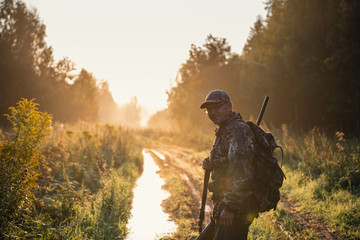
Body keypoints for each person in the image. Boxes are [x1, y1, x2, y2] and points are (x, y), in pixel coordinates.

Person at [201, 89, 258, 240]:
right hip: (224, 204)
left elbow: (242, 173)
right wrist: (212, 162)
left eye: (217, 107)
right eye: (209, 110)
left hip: (235, 209)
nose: (213, 112)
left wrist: (231, 208)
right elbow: (230, 163)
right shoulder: (226, 129)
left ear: (229, 106)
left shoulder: (237, 131)